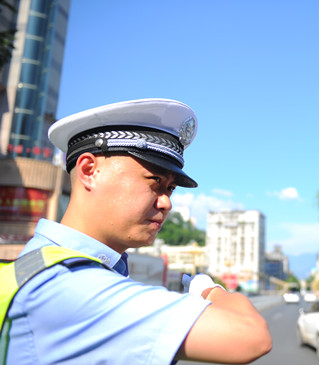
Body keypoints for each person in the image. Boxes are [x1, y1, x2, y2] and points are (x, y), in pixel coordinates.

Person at [3, 98, 272, 364]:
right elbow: (250, 335)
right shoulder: (72, 286)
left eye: (170, 189)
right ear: (89, 171)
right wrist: (208, 290)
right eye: (155, 182)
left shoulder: (36, 262)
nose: (167, 203)